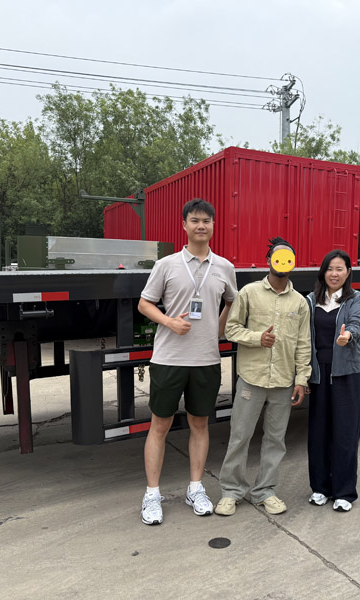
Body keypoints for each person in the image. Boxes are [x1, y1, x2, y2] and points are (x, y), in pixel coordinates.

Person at [137, 198, 237, 525]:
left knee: (200, 424)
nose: (201, 226)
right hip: (169, 359)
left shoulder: (224, 267)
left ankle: (196, 488)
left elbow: (232, 302)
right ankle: (152, 494)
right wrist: (168, 322)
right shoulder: (166, 265)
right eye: (195, 220)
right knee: (160, 425)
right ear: (184, 226)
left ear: (212, 226)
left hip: (206, 359)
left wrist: (217, 329)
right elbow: (144, 304)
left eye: (206, 221)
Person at [214, 237, 311, 516]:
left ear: (293, 263)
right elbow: (230, 330)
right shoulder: (249, 293)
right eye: (278, 257)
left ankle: (265, 491)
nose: (282, 262)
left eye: (288, 258)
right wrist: (258, 338)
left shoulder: (300, 303)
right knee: (240, 436)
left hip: (283, 382)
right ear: (269, 260)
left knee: (275, 440)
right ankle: (231, 492)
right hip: (252, 380)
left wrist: (302, 379)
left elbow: (304, 344)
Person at [305, 250, 360, 512]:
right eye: (330, 268)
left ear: (348, 272)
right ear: (323, 271)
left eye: (340, 269)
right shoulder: (310, 300)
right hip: (319, 374)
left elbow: (358, 324)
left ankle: (344, 492)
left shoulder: (356, 299)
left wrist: (348, 336)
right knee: (318, 433)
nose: (334, 273)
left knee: (345, 434)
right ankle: (320, 488)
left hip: (346, 374)